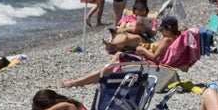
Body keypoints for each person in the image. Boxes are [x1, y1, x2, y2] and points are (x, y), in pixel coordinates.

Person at [58, 16, 186, 90]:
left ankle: (76, 82)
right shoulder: (173, 38)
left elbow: (155, 58)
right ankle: (80, 81)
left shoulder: (167, 39)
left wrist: (143, 50)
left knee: (109, 67)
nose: (161, 32)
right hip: (149, 64)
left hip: (149, 65)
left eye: (163, 30)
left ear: (169, 29)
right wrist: (148, 46)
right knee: (112, 63)